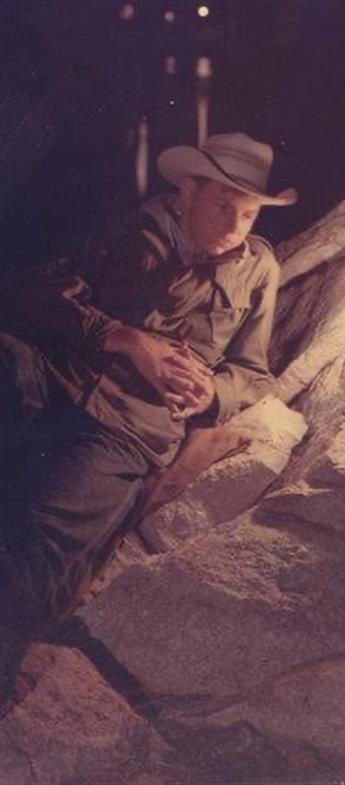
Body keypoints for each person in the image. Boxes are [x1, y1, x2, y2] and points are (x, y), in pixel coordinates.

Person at [0, 132, 297, 634]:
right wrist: (126, 338)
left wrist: (213, 393)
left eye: (248, 215)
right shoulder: (131, 230)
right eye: (222, 206)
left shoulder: (258, 270)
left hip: (124, 427)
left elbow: (252, 372)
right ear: (188, 190)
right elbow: (34, 294)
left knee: (39, 551)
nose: (233, 227)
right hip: (50, 374)